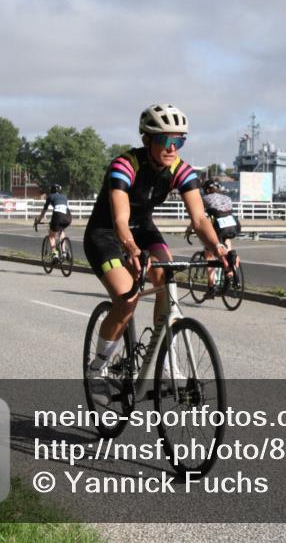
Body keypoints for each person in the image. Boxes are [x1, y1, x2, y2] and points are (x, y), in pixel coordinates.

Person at [83, 104, 230, 395]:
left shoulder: (181, 170)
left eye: (180, 140)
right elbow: (120, 219)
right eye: (165, 140)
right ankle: (97, 366)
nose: (173, 147)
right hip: (107, 234)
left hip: (144, 230)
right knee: (128, 299)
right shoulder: (124, 166)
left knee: (167, 276)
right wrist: (131, 249)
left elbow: (199, 218)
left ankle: (165, 360)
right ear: (147, 139)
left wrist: (218, 248)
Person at [185, 179, 241, 298]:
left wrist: (190, 229)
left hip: (218, 228)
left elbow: (198, 217)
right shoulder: (227, 198)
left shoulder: (204, 199)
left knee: (209, 255)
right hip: (232, 226)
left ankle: (211, 286)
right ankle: (232, 270)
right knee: (227, 247)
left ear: (207, 190)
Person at [34, 183, 72, 260]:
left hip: (58, 216)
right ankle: (64, 252)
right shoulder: (64, 197)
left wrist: (38, 220)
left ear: (51, 190)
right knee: (62, 231)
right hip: (68, 217)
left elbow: (44, 211)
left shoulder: (50, 196)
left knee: (52, 236)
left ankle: (55, 255)